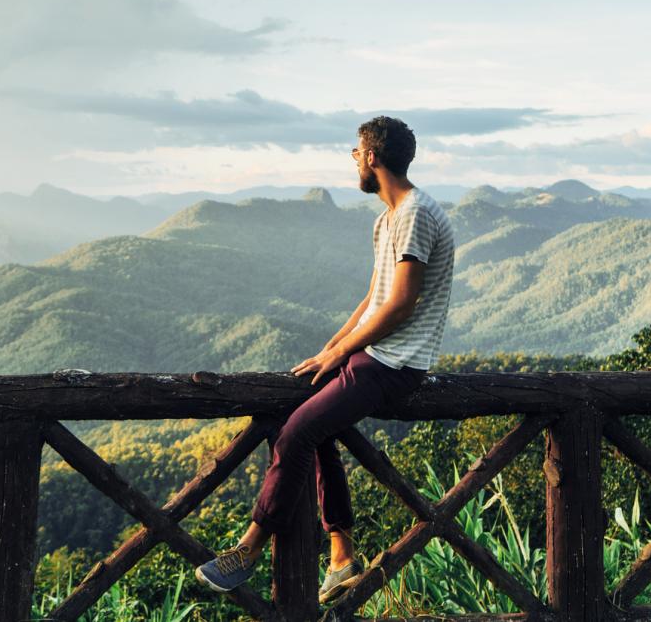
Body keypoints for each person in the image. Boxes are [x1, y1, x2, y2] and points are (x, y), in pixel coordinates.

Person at [195, 115, 456, 605]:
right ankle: (341, 556)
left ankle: (249, 550)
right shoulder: (389, 217)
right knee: (314, 429)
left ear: (373, 157)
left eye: (356, 152)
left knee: (297, 432)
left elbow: (402, 303)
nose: (354, 160)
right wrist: (330, 350)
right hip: (373, 356)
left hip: (395, 365)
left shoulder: (415, 213)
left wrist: (342, 352)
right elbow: (373, 299)